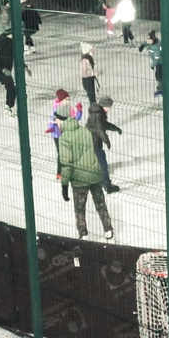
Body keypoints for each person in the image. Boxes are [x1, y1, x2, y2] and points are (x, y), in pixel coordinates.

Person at [55, 99, 114, 240]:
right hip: (94, 174)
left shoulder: (64, 138)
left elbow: (66, 163)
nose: (56, 122)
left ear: (62, 120)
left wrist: (64, 184)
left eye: (57, 119)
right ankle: (108, 230)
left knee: (79, 209)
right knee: (100, 204)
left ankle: (83, 234)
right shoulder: (85, 130)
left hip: (79, 180)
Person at [86, 95, 123, 194]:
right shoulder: (98, 114)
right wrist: (106, 140)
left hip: (91, 142)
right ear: (105, 106)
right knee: (103, 164)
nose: (110, 109)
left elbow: (104, 124)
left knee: (95, 163)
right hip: (95, 143)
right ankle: (107, 186)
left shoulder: (97, 113)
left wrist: (116, 128)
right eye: (109, 107)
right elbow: (99, 129)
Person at [0, 29, 27, 116]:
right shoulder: (1, 43)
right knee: (11, 87)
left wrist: (25, 66)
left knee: (17, 88)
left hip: (9, 71)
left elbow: (18, 57)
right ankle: (8, 107)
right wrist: (3, 69)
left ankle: (12, 107)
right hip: (0, 71)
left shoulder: (14, 43)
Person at [137, 30, 164, 97]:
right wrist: (142, 45)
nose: (148, 41)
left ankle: (161, 89)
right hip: (159, 62)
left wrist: (152, 65)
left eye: (149, 40)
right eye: (148, 39)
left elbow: (156, 58)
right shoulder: (152, 42)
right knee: (158, 75)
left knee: (159, 76)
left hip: (160, 63)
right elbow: (147, 43)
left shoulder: (157, 47)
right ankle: (160, 88)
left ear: (153, 40)